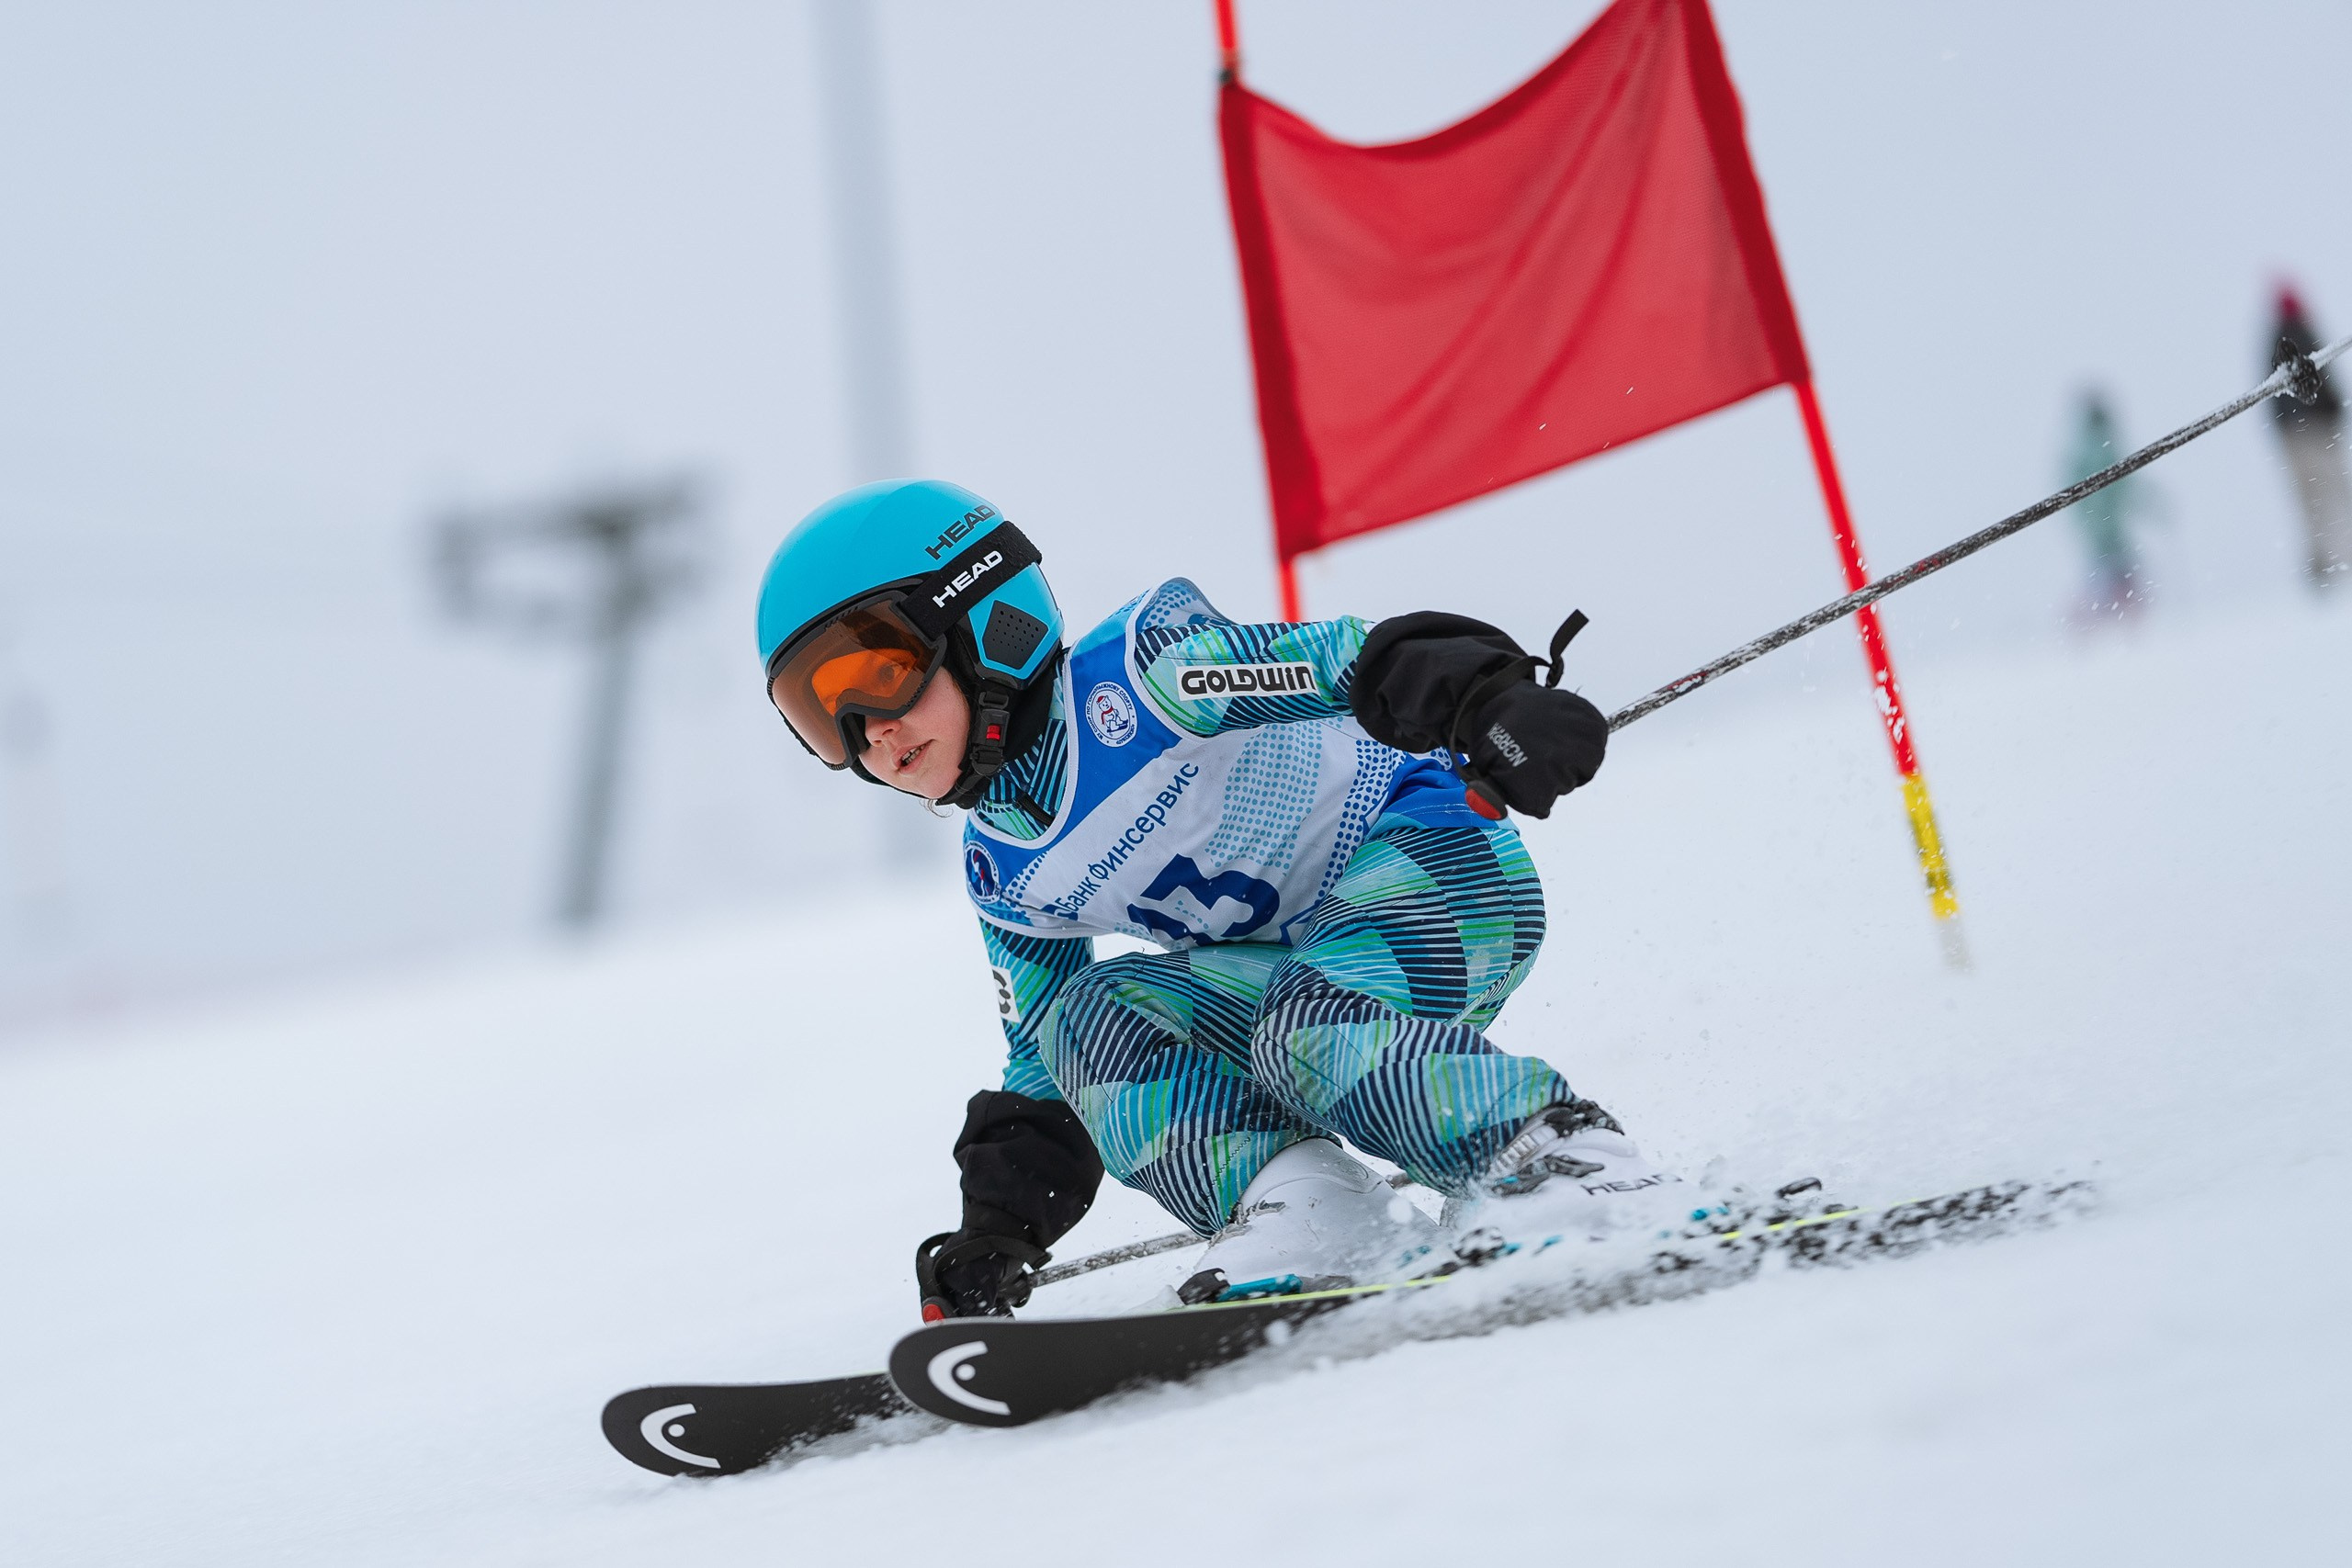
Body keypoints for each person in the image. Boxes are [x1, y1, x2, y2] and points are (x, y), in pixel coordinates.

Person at [756, 479, 1674, 1321]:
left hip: (1442, 871)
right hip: (1292, 979)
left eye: (877, 673)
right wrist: (1003, 1223)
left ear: (983, 622)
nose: (867, 732)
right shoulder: (1004, 867)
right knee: (1082, 1021)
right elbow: (1044, 1061)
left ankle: (1557, 1161)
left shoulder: (1145, 684)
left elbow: (1345, 663)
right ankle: (1310, 1209)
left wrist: (1484, 701)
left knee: (1307, 1022)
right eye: (817, 712)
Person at [2269, 284, 2348, 590]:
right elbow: (2326, 382)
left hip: (2295, 437)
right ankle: (2340, 557)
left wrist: (2284, 430)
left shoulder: (2276, 342)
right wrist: (2335, 412)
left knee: (2310, 501)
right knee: (2336, 493)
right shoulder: (2302, 335)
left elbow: (2274, 399)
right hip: (2317, 432)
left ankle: (2322, 562)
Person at [2063, 390, 2155, 619]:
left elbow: (2127, 487)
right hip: (2107, 531)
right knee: (2115, 580)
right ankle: (2110, 620)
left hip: (2105, 531)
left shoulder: (2090, 450)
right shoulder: (2100, 450)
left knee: (2108, 581)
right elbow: (2128, 487)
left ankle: (2106, 620)